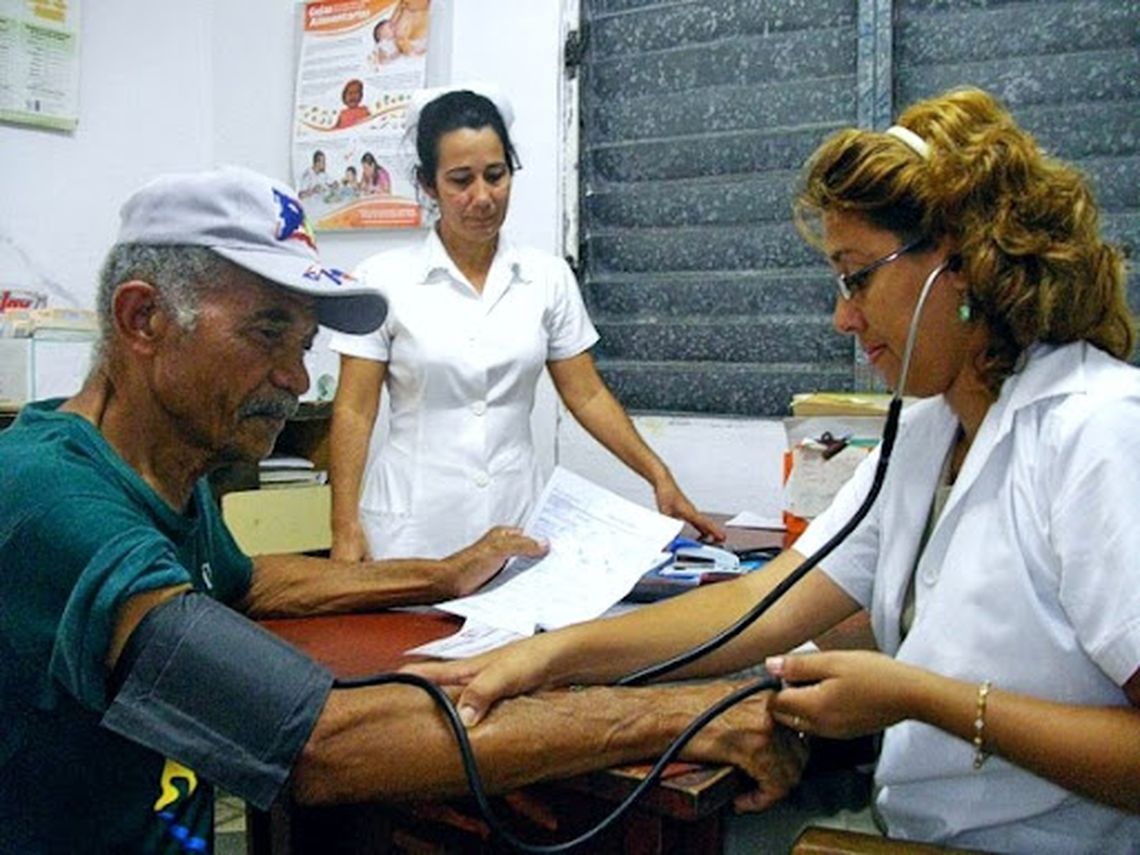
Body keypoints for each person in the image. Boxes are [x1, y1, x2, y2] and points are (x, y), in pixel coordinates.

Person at [409, 87, 1140, 853]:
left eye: (857, 277)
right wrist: (548, 651)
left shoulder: (1093, 432)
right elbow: (764, 598)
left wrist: (921, 696)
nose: (843, 317)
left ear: (959, 258)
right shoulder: (928, 432)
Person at [0, 166, 805, 852]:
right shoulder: (53, 502)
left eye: (304, 343)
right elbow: (319, 743)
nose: (293, 378)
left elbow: (243, 583)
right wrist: (685, 714)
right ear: (143, 319)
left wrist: (438, 572)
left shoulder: (160, 474)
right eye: (267, 333)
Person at [328, 85, 725, 563]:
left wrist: (658, 476)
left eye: (496, 176)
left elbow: (587, 394)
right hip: (411, 528)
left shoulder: (546, 278)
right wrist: (344, 527)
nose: (482, 197)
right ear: (429, 185)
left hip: (514, 516)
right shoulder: (381, 280)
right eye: (460, 180)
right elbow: (354, 411)